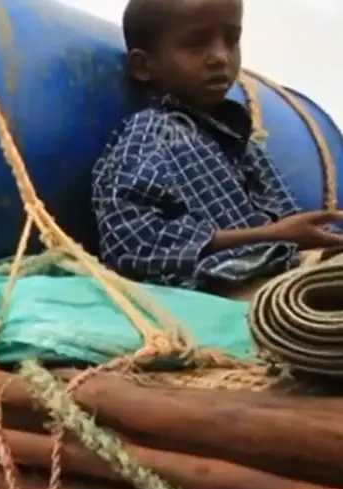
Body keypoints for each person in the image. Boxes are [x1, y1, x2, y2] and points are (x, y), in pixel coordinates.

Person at [91, 0, 343, 298]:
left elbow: (290, 224)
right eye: (196, 44)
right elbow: (129, 244)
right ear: (144, 67)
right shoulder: (152, 134)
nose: (221, 57)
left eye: (232, 40)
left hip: (289, 274)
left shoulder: (244, 144)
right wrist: (269, 235)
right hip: (228, 289)